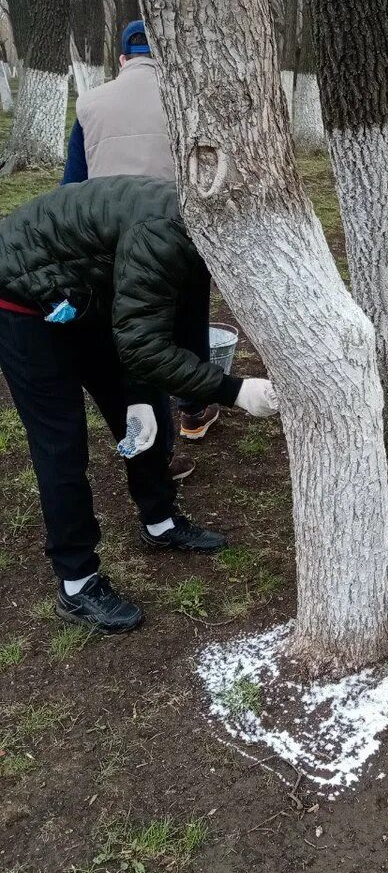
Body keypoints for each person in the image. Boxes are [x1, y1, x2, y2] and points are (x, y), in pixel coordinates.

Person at [0, 176, 278, 634]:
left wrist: (170, 394)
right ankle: (77, 581)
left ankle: (160, 520)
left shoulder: (203, 234)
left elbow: (177, 325)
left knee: (142, 410)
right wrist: (234, 392)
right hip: (22, 299)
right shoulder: (165, 235)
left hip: (87, 295)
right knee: (61, 442)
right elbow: (142, 347)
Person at [62, 20, 219, 474]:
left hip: (111, 240)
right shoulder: (190, 100)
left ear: (122, 59)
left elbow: (73, 184)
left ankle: (159, 449)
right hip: (179, 234)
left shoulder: (90, 104)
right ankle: (193, 407)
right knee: (189, 319)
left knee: (136, 339)